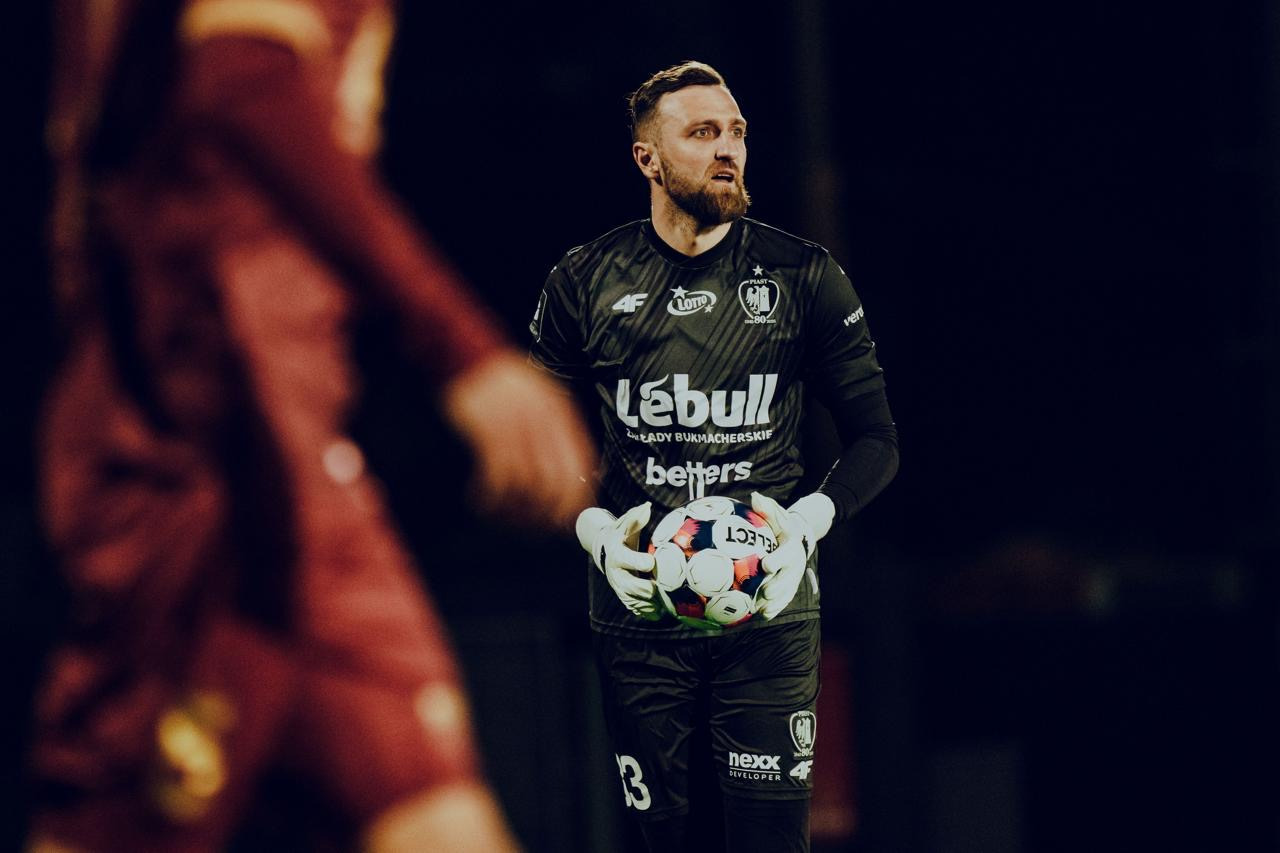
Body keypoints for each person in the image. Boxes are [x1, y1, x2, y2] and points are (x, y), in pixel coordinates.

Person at [29, 0, 596, 850]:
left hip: (292, 475)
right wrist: (458, 347)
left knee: (440, 816)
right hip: (210, 474)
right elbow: (239, 73)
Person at [529, 61, 899, 852]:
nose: (728, 148)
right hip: (638, 615)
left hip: (769, 611)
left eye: (736, 132)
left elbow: (878, 439)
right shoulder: (584, 281)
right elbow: (543, 449)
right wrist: (596, 532)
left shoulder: (802, 276)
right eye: (702, 132)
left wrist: (808, 522)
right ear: (648, 158)